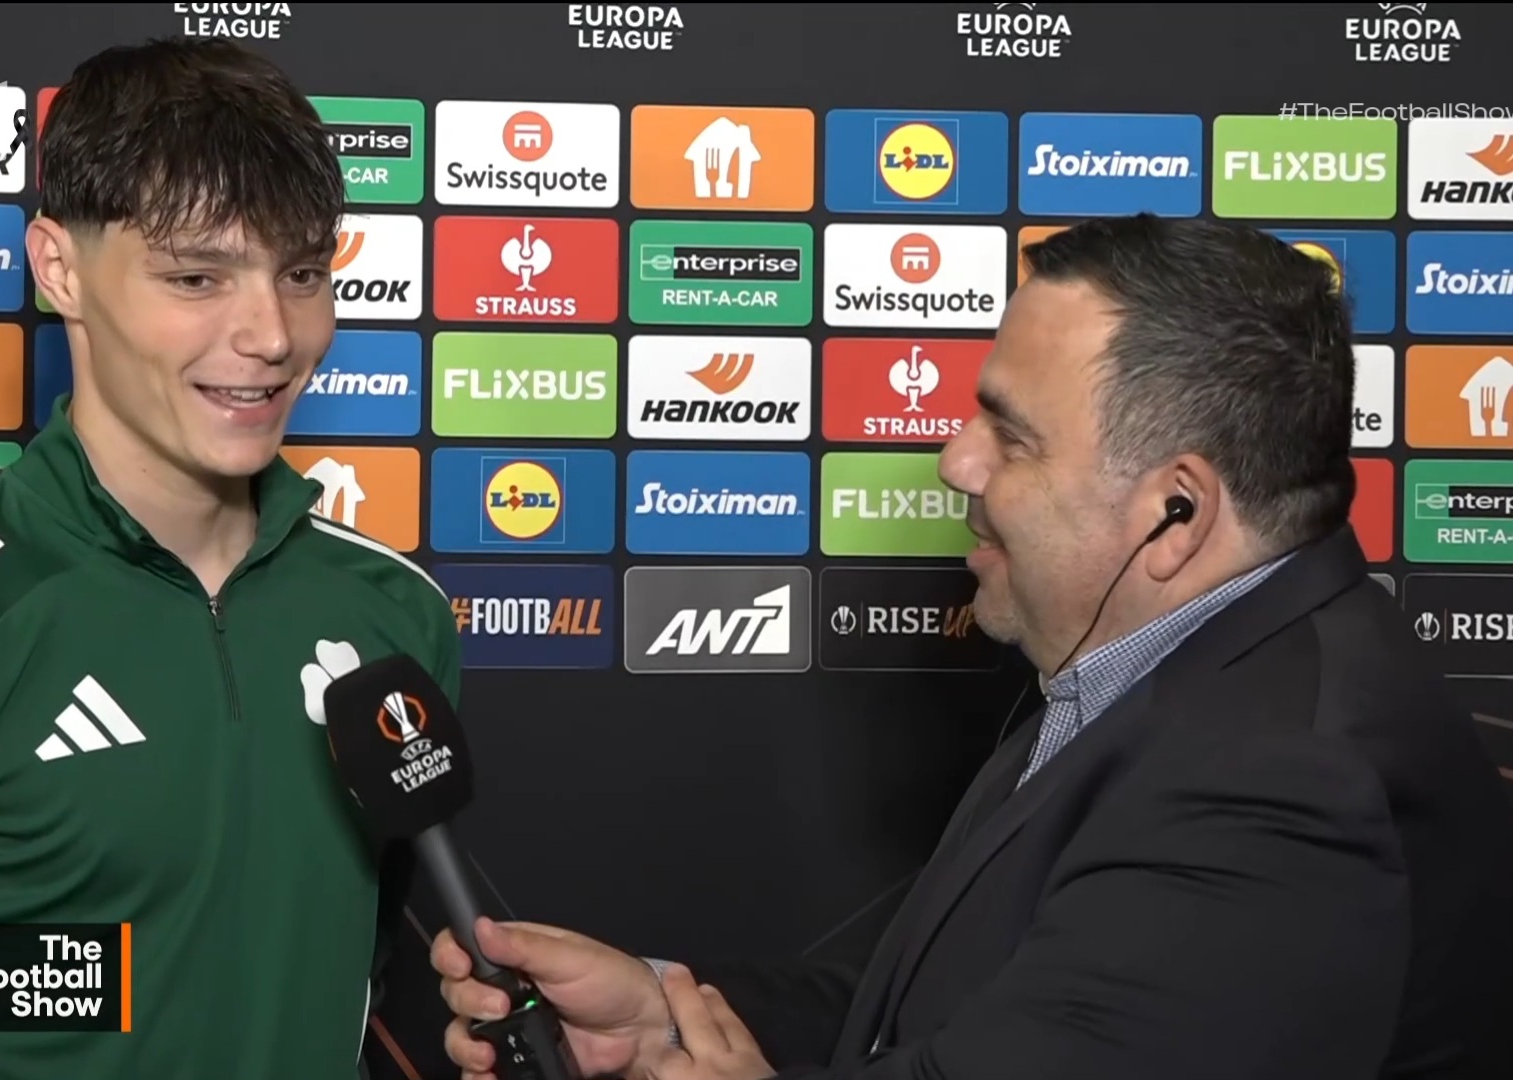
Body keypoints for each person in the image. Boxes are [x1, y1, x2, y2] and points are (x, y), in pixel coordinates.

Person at [433, 215, 1513, 1080]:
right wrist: (665, 1010)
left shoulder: (1280, 788)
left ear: (1174, 512)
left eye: (1012, 434)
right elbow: (949, 1005)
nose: (956, 461)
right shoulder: (1166, 665)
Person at [0, 37, 457, 1080]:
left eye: (302, 273)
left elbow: (361, 980)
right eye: (198, 276)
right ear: (59, 270)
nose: (272, 336)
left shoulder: (397, 611)